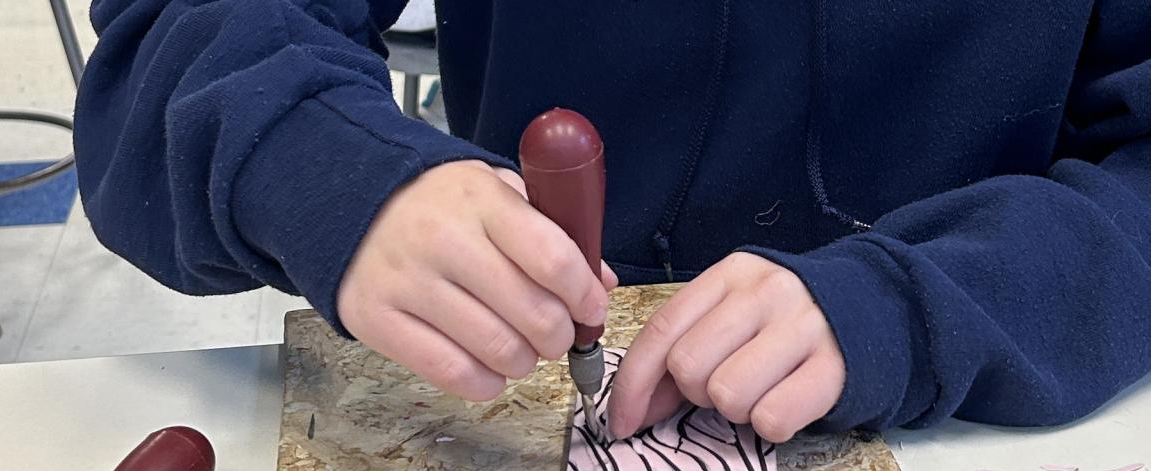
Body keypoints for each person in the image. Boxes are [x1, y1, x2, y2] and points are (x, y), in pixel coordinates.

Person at [75, 2, 1151, 443]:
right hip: (527, 416)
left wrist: (926, 302)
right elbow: (175, 35)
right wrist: (333, 170)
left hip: (983, 426)